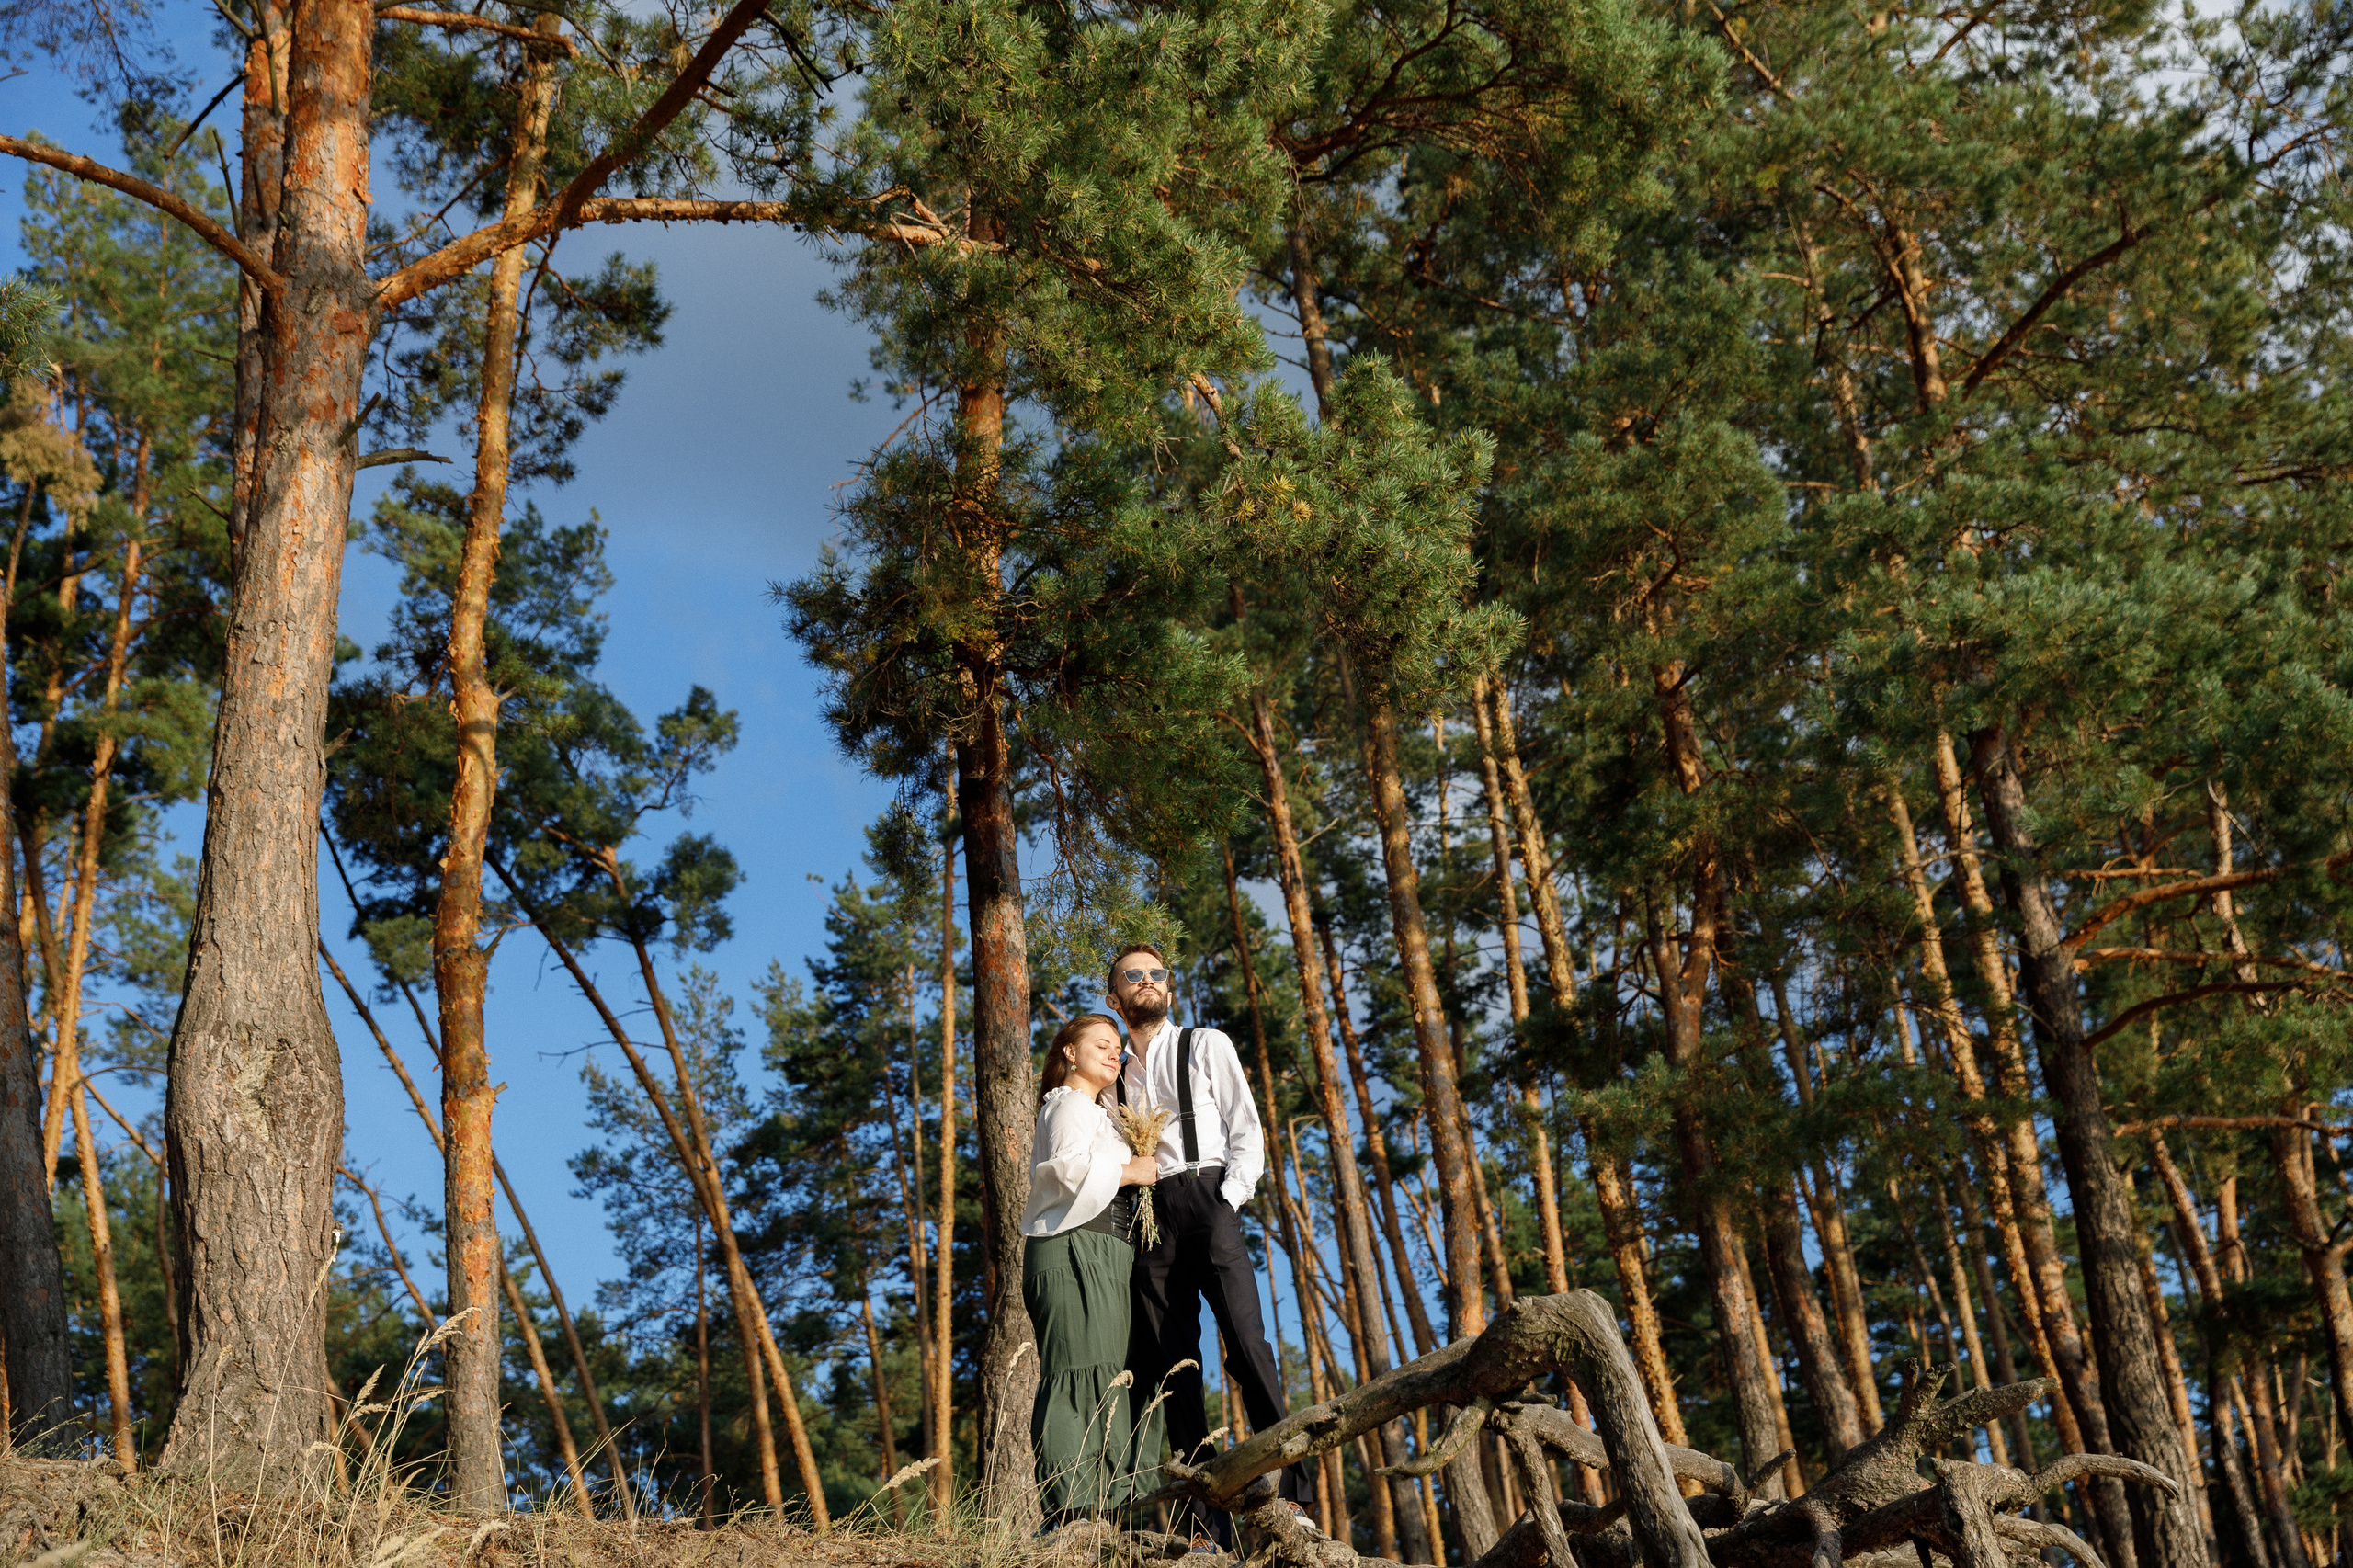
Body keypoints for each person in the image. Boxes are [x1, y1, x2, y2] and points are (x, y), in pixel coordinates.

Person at [1106, 944, 1316, 1545]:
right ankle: (1206, 1524)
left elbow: (1247, 1128)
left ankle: (1295, 1492)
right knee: (1177, 1371)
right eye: (1133, 975)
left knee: (1249, 1345)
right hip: (1150, 1221)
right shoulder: (1112, 1074)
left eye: (1157, 972)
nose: (1148, 981)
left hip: (1210, 1202)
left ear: (1167, 986)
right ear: (1113, 996)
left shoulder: (1207, 1044)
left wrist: (1229, 1198)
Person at [1021, 1012, 1163, 1528]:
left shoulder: (1100, 1112)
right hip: (1074, 1248)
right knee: (1077, 1373)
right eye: (1100, 1044)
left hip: (1107, 1249)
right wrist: (1131, 1171)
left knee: (1112, 1375)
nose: (1114, 1053)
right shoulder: (1069, 1106)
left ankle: (1120, 1510)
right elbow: (1063, 1169)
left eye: (1117, 1048)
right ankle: (1073, 1512)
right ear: (1069, 1053)